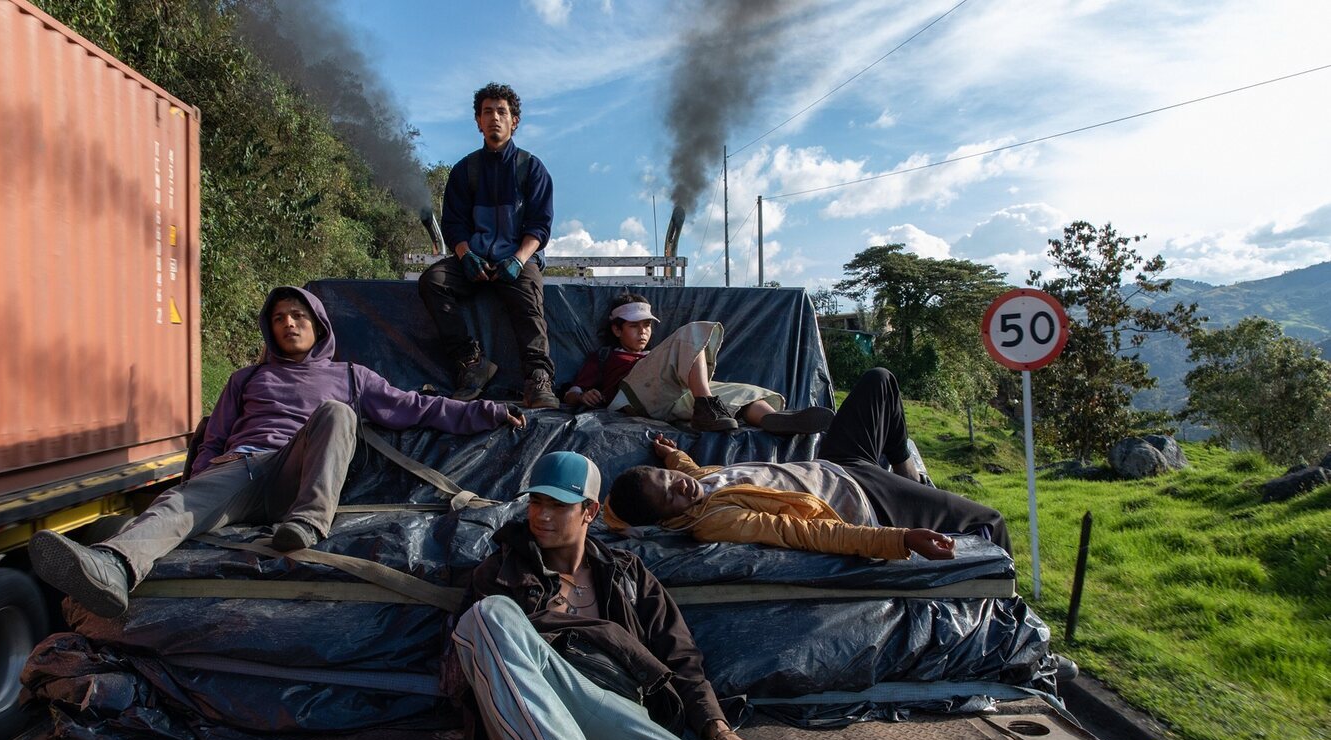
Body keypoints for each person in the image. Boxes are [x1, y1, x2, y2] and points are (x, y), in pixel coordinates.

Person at [410, 451, 788, 740]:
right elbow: (484, 664)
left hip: (616, 713)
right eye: (536, 503)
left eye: (559, 505)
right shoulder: (502, 572)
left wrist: (718, 731)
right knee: (487, 618)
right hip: (539, 718)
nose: (542, 515)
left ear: (589, 510)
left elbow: (683, 661)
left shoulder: (629, 575)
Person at [28, 286, 523, 619]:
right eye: (280, 318)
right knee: (175, 505)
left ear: (318, 324)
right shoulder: (246, 378)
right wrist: (201, 478)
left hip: (296, 473)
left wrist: (489, 413)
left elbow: (416, 408)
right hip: (240, 472)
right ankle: (113, 568)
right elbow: (215, 438)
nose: (289, 324)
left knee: (337, 414)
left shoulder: (351, 377)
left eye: (299, 316)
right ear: (270, 329)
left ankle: (308, 524)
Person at [603, 367, 1011, 560]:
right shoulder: (713, 521)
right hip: (865, 497)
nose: (681, 487)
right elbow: (808, 533)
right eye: (670, 496)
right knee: (990, 520)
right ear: (666, 520)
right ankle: (1016, 620)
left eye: (668, 479)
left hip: (836, 463)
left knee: (879, 380)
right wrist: (899, 539)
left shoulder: (696, 483)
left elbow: (692, 474)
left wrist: (670, 455)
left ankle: (909, 471)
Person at [418, 82, 559, 409]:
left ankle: (538, 379)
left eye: (502, 112)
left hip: (517, 260)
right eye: (487, 112)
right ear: (478, 122)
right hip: (475, 261)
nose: (494, 117)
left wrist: (520, 260)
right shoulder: (464, 171)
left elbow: (540, 224)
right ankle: (471, 363)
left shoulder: (531, 169)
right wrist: (466, 257)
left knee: (529, 300)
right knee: (432, 282)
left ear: (514, 121)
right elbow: (454, 224)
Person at [562, 293, 834, 435]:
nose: (643, 332)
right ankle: (707, 406)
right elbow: (571, 392)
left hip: (672, 400)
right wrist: (582, 395)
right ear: (617, 329)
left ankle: (772, 420)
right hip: (632, 398)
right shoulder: (606, 356)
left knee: (742, 392)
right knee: (692, 336)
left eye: (647, 325)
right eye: (634, 326)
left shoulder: (656, 354)